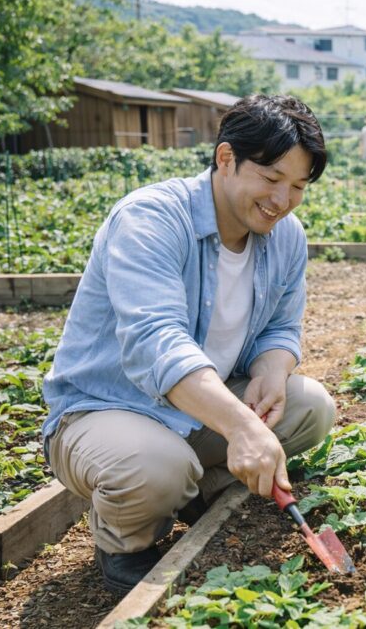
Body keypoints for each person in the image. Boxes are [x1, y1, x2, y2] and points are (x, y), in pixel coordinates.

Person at [42, 95, 336, 595]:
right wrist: (241, 425)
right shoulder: (151, 218)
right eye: (271, 178)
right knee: (156, 467)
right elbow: (156, 341)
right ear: (226, 158)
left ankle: (200, 493)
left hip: (200, 408)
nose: (282, 200)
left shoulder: (286, 237)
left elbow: (280, 327)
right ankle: (124, 542)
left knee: (311, 407)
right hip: (107, 408)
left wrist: (272, 368)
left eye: (298, 187)